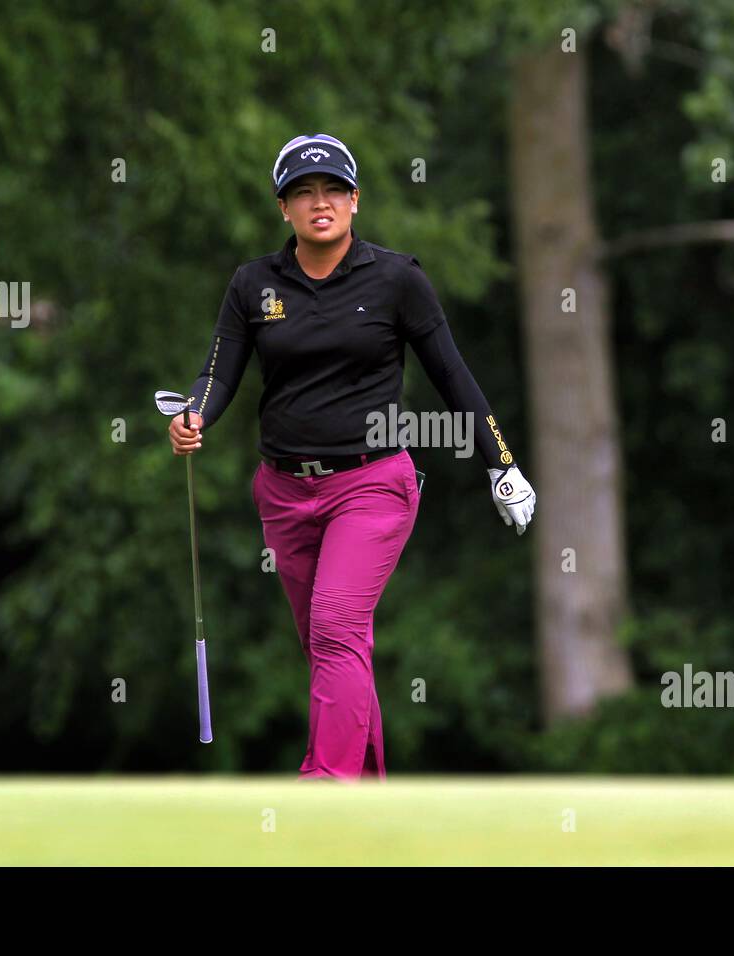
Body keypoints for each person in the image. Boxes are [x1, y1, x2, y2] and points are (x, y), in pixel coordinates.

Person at [166, 132, 536, 780]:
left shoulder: (396, 279)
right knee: (332, 647)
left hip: (371, 486)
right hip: (283, 491)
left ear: (355, 199)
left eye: (332, 189)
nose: (319, 202)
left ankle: (326, 791)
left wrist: (500, 463)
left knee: (336, 627)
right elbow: (218, 374)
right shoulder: (253, 285)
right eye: (302, 192)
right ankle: (366, 802)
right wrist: (195, 415)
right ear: (284, 208)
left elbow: (454, 377)